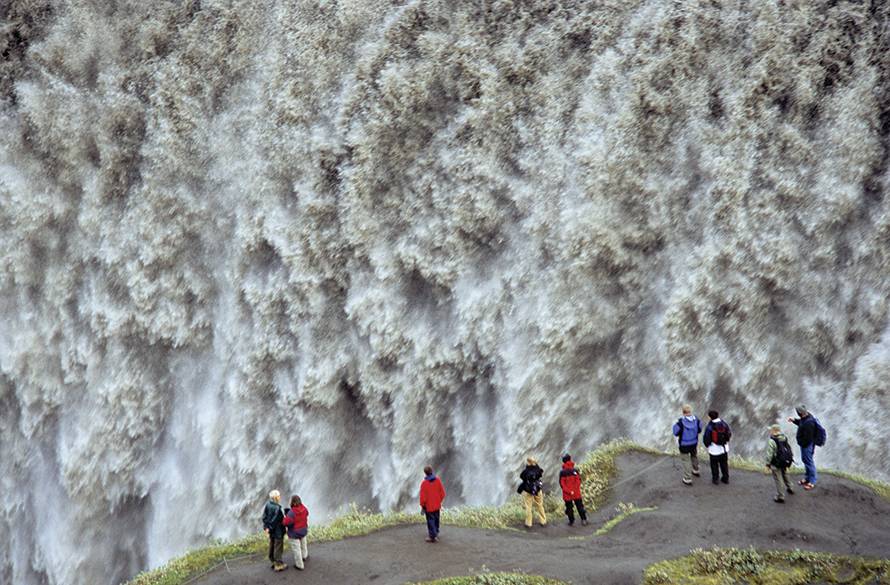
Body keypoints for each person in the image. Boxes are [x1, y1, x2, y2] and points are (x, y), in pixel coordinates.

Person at [788, 405, 822, 490]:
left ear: (800, 413)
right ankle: (807, 478)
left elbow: (808, 438)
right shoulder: (806, 417)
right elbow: (801, 422)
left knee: (809, 462)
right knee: (805, 460)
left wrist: (802, 443)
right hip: (805, 445)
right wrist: (794, 420)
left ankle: (812, 481)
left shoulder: (809, 423)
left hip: (807, 445)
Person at [672, 405, 702, 485]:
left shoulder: (681, 423)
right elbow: (700, 430)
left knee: (686, 460)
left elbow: (675, 432)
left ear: (683, 413)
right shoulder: (697, 421)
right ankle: (696, 470)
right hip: (693, 443)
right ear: (690, 412)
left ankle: (687, 478)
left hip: (684, 445)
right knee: (694, 456)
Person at [765, 424, 795, 503]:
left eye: (771, 430)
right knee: (785, 474)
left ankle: (780, 496)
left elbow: (769, 454)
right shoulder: (784, 438)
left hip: (776, 462)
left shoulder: (772, 441)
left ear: (773, 431)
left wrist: (767, 464)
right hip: (784, 461)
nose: (770, 431)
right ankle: (790, 487)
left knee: (778, 479)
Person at [702, 410, 731, 485]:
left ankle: (715, 479)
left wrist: (707, 445)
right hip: (724, 449)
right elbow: (729, 433)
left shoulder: (710, 426)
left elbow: (706, 439)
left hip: (714, 450)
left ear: (710, 417)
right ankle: (725, 478)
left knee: (714, 465)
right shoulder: (724, 423)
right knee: (724, 464)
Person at [419, 465, 446, 543]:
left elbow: (422, 497)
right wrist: (438, 501)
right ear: (432, 471)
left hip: (429, 507)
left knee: (430, 521)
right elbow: (443, 493)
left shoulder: (424, 483)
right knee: (436, 519)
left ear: (425, 473)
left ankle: (432, 536)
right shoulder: (438, 481)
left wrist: (423, 505)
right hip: (437, 505)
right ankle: (436, 532)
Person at [558, 454, 588, 526]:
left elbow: (562, 484)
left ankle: (571, 521)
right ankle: (584, 519)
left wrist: (569, 491)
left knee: (569, 508)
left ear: (563, 462)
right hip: (576, 493)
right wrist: (574, 490)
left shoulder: (562, 472)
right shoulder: (575, 470)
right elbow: (578, 481)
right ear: (570, 460)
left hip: (567, 494)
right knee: (580, 506)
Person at [518, 457, 547, 528]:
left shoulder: (526, 471)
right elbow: (540, 473)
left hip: (528, 490)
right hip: (537, 489)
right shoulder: (538, 469)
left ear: (528, 462)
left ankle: (528, 523)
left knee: (528, 506)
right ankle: (543, 521)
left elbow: (521, 477)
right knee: (540, 505)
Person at [262, 490, 286, 571]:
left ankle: (272, 561)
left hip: (271, 531)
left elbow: (264, 517)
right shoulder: (277, 508)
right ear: (275, 497)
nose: (280, 497)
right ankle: (278, 564)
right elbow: (276, 521)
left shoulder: (268, 504)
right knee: (278, 547)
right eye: (279, 496)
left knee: (272, 544)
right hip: (278, 531)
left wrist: (266, 527)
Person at [283, 495, 309, 569]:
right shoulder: (304, 508)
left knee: (296, 548)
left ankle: (299, 565)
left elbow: (286, 522)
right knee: (304, 544)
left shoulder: (292, 512)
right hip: (303, 530)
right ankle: (304, 556)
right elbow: (307, 513)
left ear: (293, 503)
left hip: (294, 533)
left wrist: (285, 517)